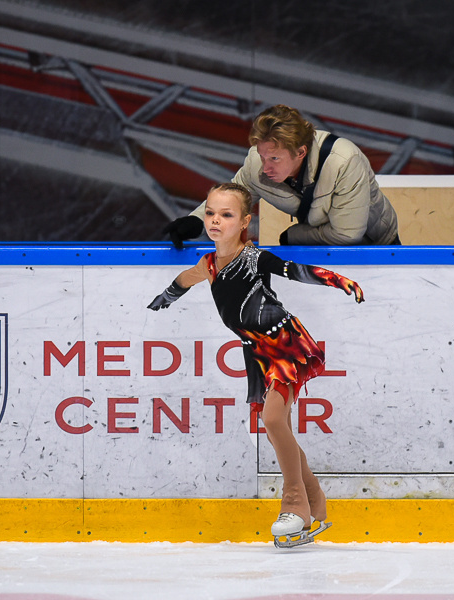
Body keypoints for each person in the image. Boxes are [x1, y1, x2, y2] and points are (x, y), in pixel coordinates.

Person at [148, 182, 364, 547]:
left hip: (285, 343)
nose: (215, 221)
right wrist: (165, 298)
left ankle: (294, 503)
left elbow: (296, 271)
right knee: (280, 427)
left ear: (245, 221)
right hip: (257, 351)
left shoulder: (254, 258)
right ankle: (315, 499)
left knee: (273, 419)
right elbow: (186, 279)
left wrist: (339, 280)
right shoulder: (209, 264)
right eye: (210, 213)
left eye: (226, 215)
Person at [164, 104, 400, 248]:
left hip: (376, 247)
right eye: (262, 156)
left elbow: (347, 235)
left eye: (275, 159)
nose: (266, 167)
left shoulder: (344, 161)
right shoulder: (257, 164)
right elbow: (232, 199)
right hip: (318, 244)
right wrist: (196, 223)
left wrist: (294, 236)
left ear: (300, 152)